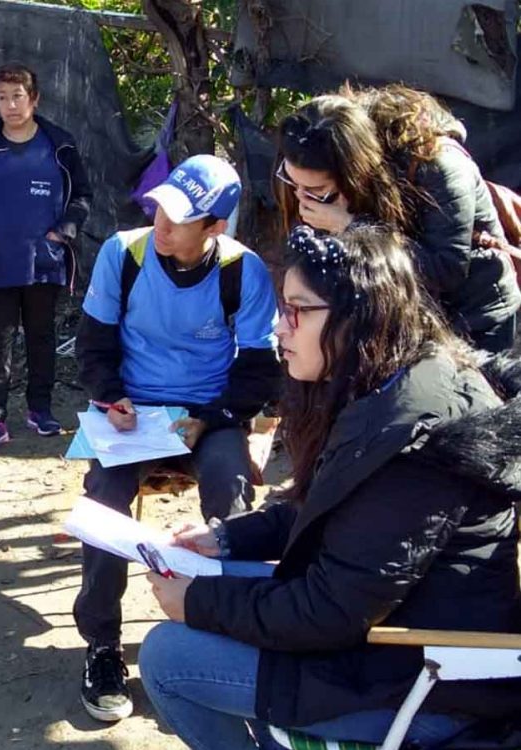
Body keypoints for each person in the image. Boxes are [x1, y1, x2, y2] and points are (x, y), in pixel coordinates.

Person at [138, 224, 521, 750]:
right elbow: (331, 507)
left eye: (298, 310)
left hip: (423, 684)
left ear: (358, 318)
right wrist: (227, 539)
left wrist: (199, 602)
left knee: (167, 657)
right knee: (215, 576)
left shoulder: (416, 439)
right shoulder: (392, 382)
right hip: (380, 638)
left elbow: (330, 612)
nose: (280, 326)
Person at [72, 155, 282, 723]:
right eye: (160, 207)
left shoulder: (244, 270)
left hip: (208, 414)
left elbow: (261, 369)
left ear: (214, 227)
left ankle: (229, 627)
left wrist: (212, 417)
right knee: (102, 502)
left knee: (231, 494)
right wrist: (113, 396)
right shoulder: (125, 253)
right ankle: (102, 645)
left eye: (179, 217)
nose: (161, 224)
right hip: (132, 416)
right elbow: (93, 346)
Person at [0, 61, 92, 455]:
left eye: (18, 96)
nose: (10, 105)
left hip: (44, 257)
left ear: (34, 99)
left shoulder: (58, 144)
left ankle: (40, 409)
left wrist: (63, 232)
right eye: (3, 98)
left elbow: (81, 196)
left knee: (42, 336)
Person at [357, 83, 521, 353]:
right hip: (427, 316)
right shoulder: (389, 172)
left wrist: (361, 231)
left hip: (478, 315)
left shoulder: (444, 167)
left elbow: (447, 268)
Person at [274, 94, 406, 237]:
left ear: (353, 180)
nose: (300, 195)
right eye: (290, 179)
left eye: (317, 189)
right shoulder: (295, 158)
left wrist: (350, 227)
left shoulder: (415, 167)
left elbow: (424, 257)